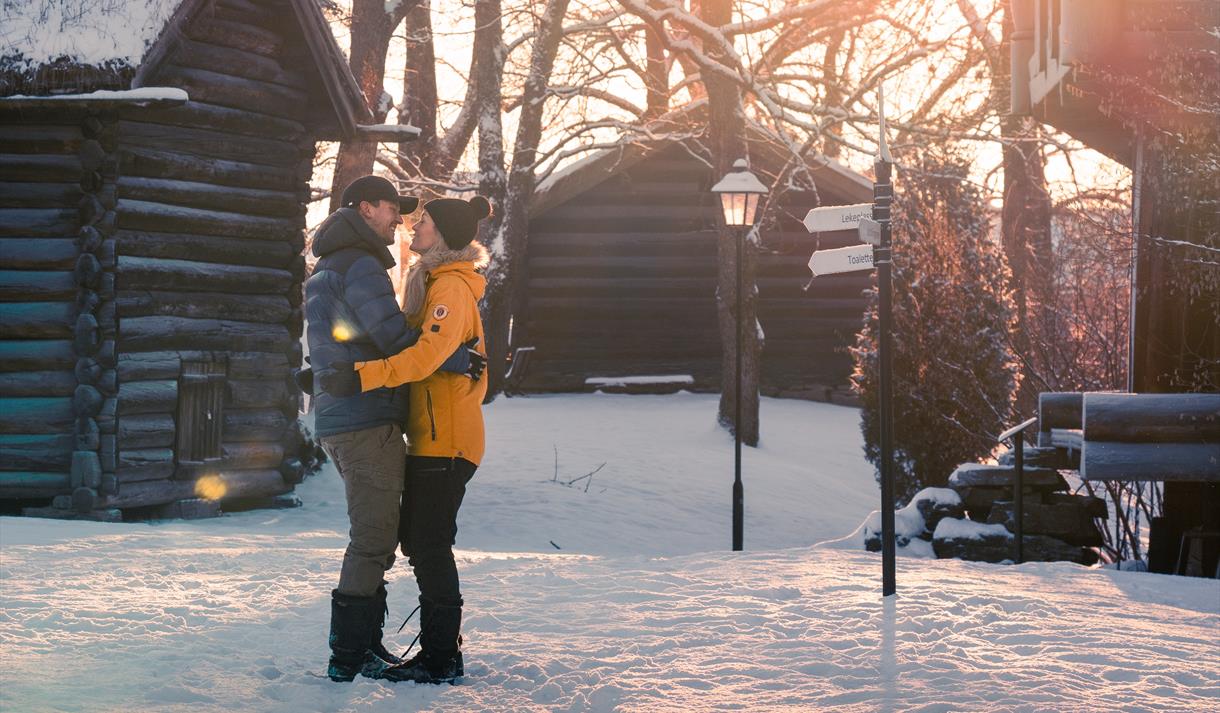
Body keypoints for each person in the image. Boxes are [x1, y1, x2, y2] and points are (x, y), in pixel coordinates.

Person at [304, 175, 483, 683]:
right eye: (393, 209)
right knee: (374, 540)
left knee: (386, 539)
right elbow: (391, 337)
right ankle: (351, 653)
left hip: (347, 417)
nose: (401, 220)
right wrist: (447, 356)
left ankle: (364, 647)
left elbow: (342, 338)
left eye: (415, 216)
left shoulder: (329, 264)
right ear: (366, 208)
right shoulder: (361, 264)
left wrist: (325, 370)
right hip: (365, 417)